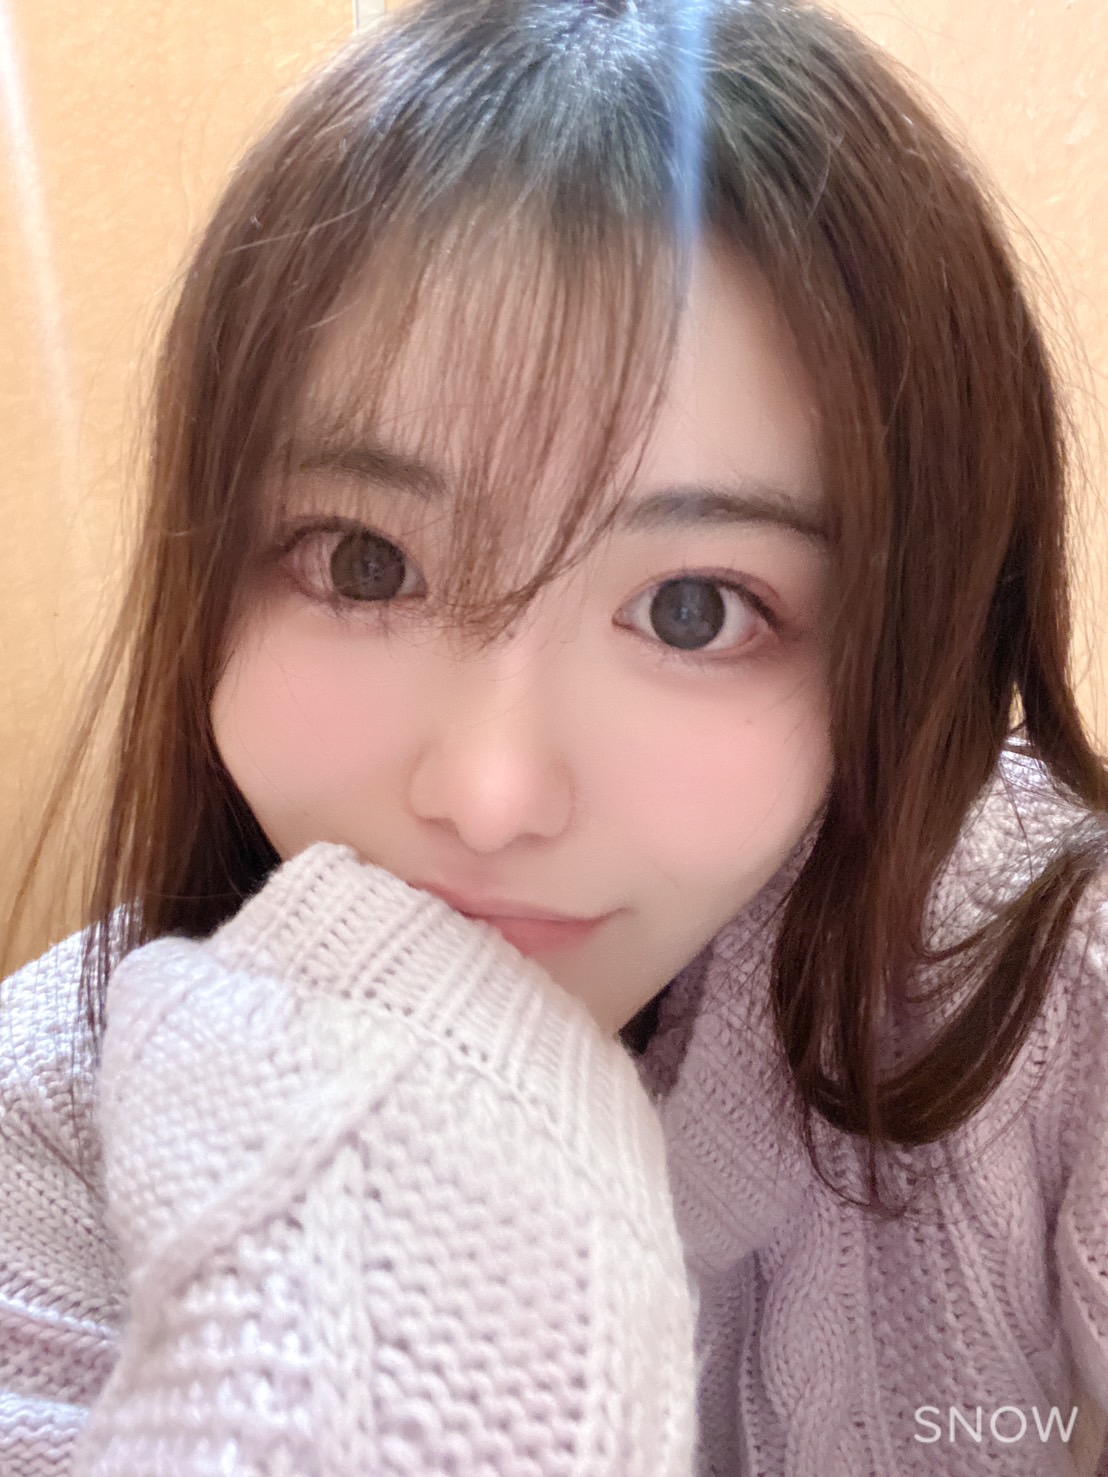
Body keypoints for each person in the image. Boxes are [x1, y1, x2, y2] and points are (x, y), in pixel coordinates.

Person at [2, 0, 1107, 1470]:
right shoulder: (46, 1129)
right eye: (365, 565)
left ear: (904, 650)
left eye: (696, 610)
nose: (488, 792)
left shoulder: (1055, 996)